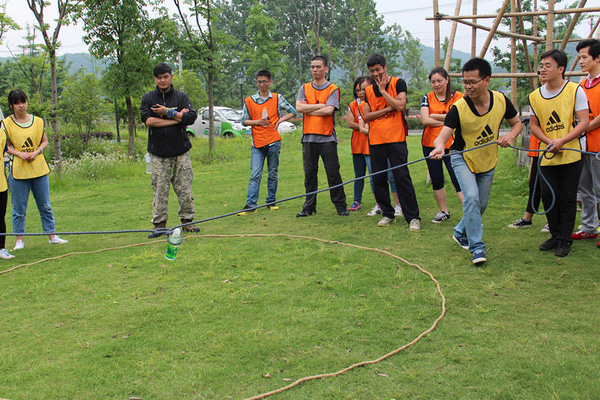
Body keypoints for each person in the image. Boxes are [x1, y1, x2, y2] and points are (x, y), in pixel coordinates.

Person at [430, 58, 522, 265]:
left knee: (480, 205)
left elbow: (517, 124)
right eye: (465, 82)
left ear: (487, 80)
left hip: (488, 160)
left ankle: (459, 230)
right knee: (471, 198)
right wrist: (438, 147)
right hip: (462, 157)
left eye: (472, 82)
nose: (468, 86)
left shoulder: (501, 100)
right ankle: (477, 248)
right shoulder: (459, 108)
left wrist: (510, 136)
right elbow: (443, 136)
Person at [529, 49, 589, 257]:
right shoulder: (535, 96)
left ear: (561, 69)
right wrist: (549, 142)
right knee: (548, 195)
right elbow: (534, 125)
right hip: (547, 154)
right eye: (541, 66)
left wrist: (562, 140)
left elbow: (584, 121)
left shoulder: (575, 90)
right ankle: (554, 235)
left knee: (567, 196)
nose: (542, 70)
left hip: (572, 152)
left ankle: (565, 239)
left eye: (548, 66)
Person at [3, 89, 69, 251]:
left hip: (38, 168)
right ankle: (19, 239)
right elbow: (4, 146)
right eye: (17, 103)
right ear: (11, 106)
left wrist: (37, 152)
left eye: (23, 102)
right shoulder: (6, 123)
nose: (21, 106)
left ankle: (52, 235)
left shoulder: (38, 121)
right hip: (18, 171)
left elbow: (44, 141)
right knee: (19, 208)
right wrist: (19, 154)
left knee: (45, 204)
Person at [140, 62, 199, 238]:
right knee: (159, 189)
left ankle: (187, 221)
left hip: (181, 151)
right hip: (158, 153)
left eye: (166, 76)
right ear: (155, 79)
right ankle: (159, 224)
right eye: (159, 77)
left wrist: (166, 112)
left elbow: (190, 117)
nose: (163, 80)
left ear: (171, 77)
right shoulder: (148, 98)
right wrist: (176, 118)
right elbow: (149, 121)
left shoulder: (181, 97)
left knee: (185, 188)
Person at [363, 53, 420, 230]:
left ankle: (412, 217)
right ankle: (388, 214)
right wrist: (389, 107)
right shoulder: (368, 91)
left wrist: (383, 92)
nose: (375, 74)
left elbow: (401, 106)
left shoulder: (398, 83)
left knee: (402, 177)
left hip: (396, 139)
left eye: (378, 70)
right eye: (372, 71)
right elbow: (367, 116)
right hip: (376, 140)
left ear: (385, 67)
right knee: (378, 178)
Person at [237, 69, 297, 215]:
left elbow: (293, 111)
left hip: (273, 142)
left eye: (265, 81)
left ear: (270, 82)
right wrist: (257, 122)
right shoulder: (249, 100)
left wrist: (280, 120)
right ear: (256, 82)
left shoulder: (277, 98)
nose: (262, 84)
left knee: (273, 172)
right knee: (255, 174)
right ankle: (251, 205)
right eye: (259, 81)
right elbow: (244, 121)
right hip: (257, 143)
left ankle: (271, 201)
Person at [295, 55, 348, 217]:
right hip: (308, 138)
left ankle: (340, 205)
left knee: (333, 173)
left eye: (318, 67)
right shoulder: (304, 88)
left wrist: (309, 108)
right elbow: (298, 108)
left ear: (326, 69)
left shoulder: (332, 89)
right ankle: (309, 207)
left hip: (327, 139)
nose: (315, 70)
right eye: (312, 67)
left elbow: (329, 111)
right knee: (309, 174)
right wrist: (319, 105)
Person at [352, 77, 403, 217]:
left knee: (393, 176)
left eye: (364, 88)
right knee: (376, 177)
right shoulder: (361, 105)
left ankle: (398, 205)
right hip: (373, 144)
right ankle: (380, 205)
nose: (362, 92)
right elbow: (364, 125)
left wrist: (377, 121)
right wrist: (387, 110)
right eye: (359, 90)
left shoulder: (387, 94)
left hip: (391, 140)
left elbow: (399, 106)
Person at [420, 67, 464, 223]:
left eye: (439, 80)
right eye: (433, 81)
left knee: (457, 177)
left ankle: (470, 213)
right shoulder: (427, 97)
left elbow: (461, 118)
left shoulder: (458, 97)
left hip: (453, 144)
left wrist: (435, 116)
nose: (436, 84)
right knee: (437, 178)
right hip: (430, 143)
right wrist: (447, 118)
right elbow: (425, 120)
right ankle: (443, 211)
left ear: (447, 79)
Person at [509, 70, 549, 233]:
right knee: (534, 184)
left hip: (552, 148)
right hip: (536, 148)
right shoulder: (536, 96)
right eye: (540, 71)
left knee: (550, 186)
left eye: (547, 68)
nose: (542, 74)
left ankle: (551, 220)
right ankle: (528, 217)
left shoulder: (564, 94)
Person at [571, 39, 600, 249]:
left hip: (598, 144)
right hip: (582, 146)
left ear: (597, 58)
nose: (581, 61)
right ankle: (589, 228)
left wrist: (583, 127)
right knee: (584, 189)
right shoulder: (581, 86)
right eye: (579, 57)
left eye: (584, 57)